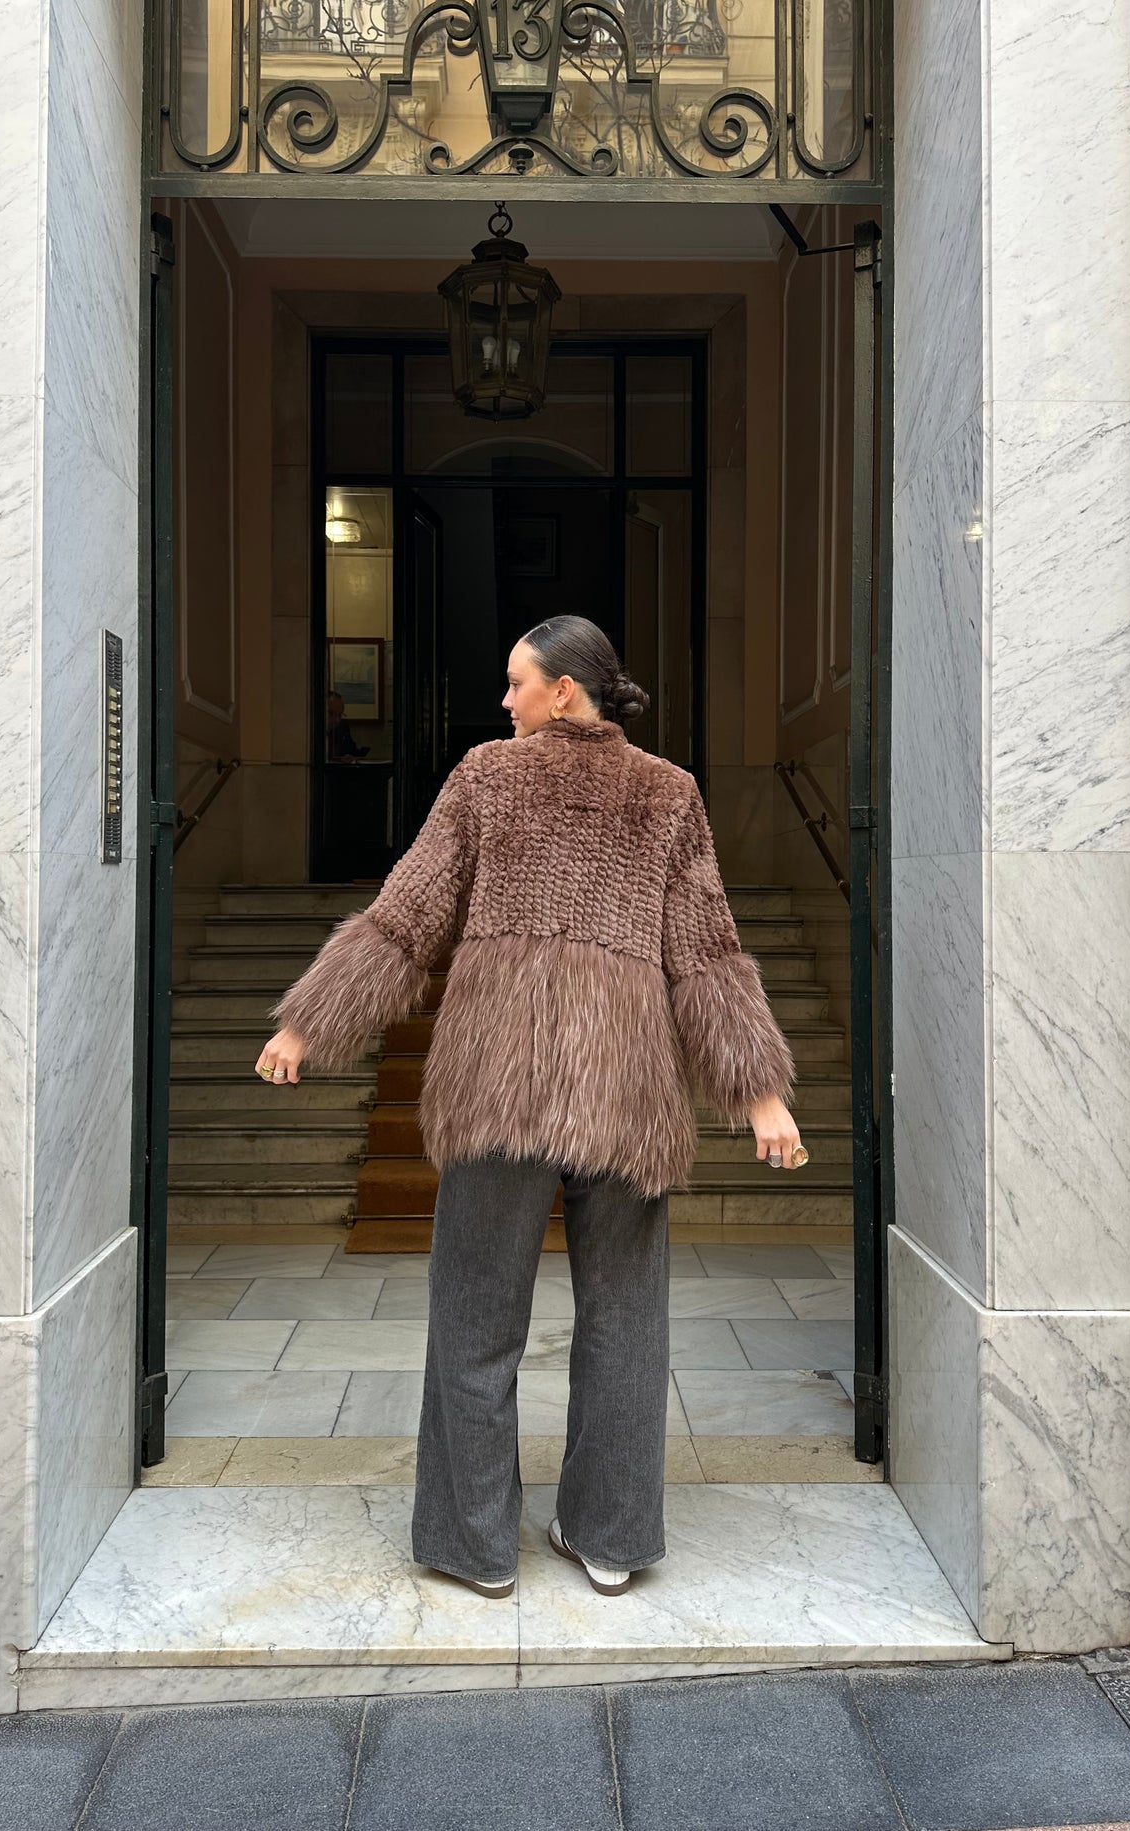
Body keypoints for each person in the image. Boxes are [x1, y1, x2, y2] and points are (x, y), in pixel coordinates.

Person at [256, 615, 804, 1598]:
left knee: (474, 1319)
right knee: (623, 1325)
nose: (502, 700)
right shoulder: (668, 791)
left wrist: (306, 1023)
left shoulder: (485, 776)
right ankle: (609, 1537)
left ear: (564, 690)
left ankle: (474, 1546)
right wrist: (759, 1095)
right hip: (623, 1085)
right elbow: (707, 955)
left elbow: (404, 918)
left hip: (497, 1079)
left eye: (516, 682)